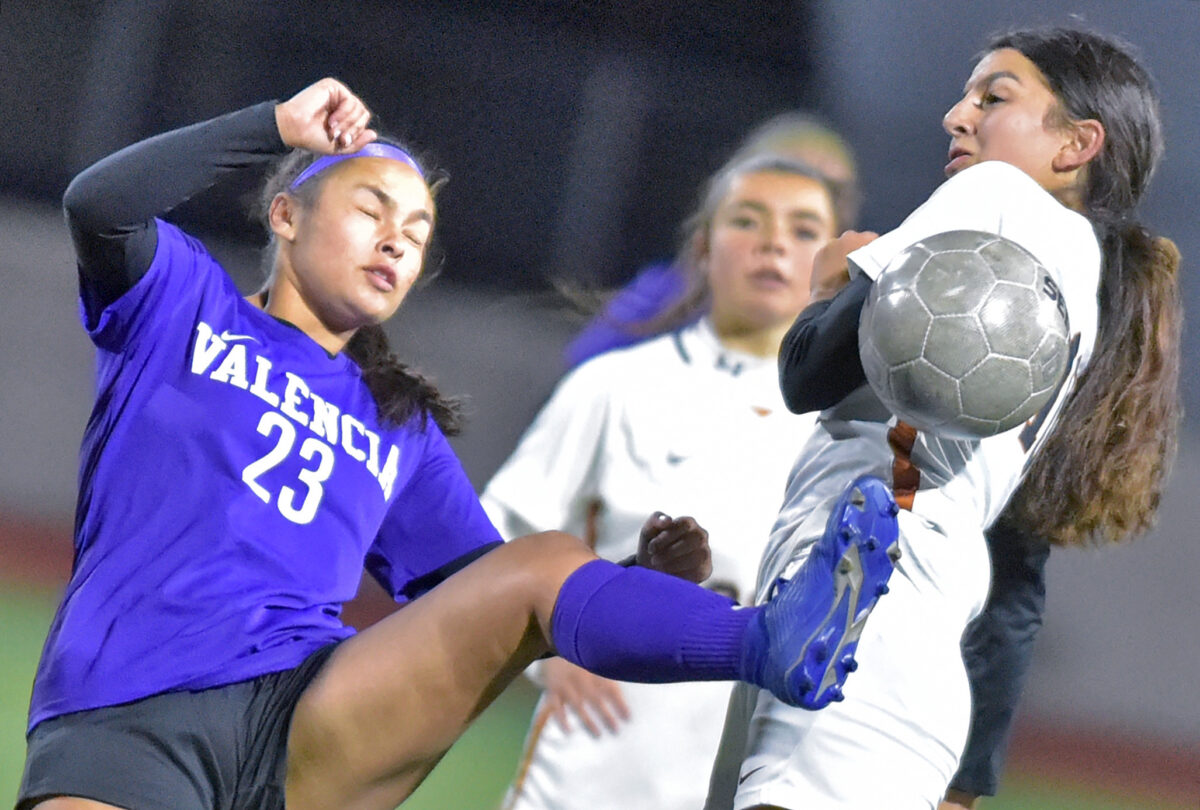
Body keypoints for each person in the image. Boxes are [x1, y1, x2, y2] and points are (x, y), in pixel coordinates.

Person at [16, 79, 902, 810]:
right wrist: (274, 125)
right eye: (372, 210)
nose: (397, 240)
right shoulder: (184, 307)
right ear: (284, 214)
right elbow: (99, 203)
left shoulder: (395, 423)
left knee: (539, 564)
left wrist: (630, 577)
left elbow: (500, 611)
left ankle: (771, 642)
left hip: (306, 728)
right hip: (126, 715)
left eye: (417, 232)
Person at [706, 26, 1181, 810]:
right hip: (912, 652)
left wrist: (829, 285)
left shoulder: (989, 197)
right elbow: (1017, 567)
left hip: (854, 621)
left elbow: (808, 373)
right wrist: (968, 776)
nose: (957, 116)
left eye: (993, 98)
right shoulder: (1082, 292)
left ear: (1077, 144)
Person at [486, 150, 844, 810]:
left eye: (802, 230)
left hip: (752, 764)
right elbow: (498, 536)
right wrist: (548, 657)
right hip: (595, 761)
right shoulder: (616, 385)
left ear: (832, 262)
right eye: (748, 220)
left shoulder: (844, 425)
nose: (773, 244)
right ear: (704, 248)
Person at [563, 112, 859, 368]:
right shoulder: (660, 297)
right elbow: (582, 375)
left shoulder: (857, 327)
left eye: (834, 191)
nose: (778, 240)